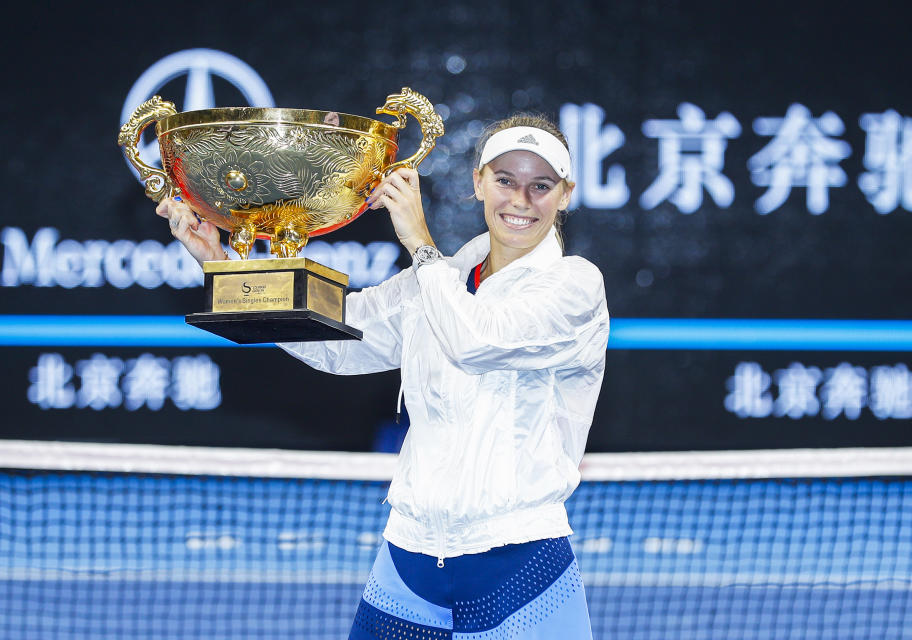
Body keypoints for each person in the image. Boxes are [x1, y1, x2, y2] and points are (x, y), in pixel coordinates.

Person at [157, 113, 609, 639]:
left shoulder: (576, 286)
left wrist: (419, 241)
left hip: (519, 567)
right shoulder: (440, 278)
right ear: (479, 182)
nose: (520, 200)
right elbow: (334, 339)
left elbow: (477, 340)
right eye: (505, 180)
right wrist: (225, 267)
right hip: (409, 561)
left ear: (566, 194)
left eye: (541, 186)